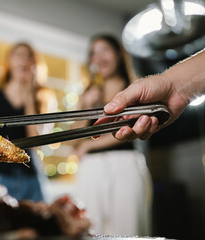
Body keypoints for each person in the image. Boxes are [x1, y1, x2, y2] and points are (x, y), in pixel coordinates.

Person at [71, 34, 151, 236]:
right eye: (93, 53)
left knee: (128, 229)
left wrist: (89, 145)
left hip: (124, 163)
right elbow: (73, 141)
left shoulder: (135, 88)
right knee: (90, 229)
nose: (98, 57)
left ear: (118, 53)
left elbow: (129, 129)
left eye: (104, 50)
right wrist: (87, 105)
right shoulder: (88, 94)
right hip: (91, 168)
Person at [0, 42, 56, 202]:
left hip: (31, 177)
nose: (24, 59)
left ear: (35, 65)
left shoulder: (43, 98)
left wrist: (29, 97)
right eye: (19, 54)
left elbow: (36, 143)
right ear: (8, 62)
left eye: (29, 56)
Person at [98, 48, 205, 141]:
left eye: (105, 50)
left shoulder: (132, 82)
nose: (99, 57)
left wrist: (174, 86)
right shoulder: (92, 94)